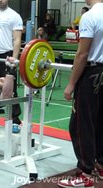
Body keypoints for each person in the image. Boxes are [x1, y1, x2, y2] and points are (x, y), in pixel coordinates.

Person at [58, 1, 103, 187]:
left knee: (80, 124)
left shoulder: (89, 16)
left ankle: (85, 173)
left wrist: (70, 84)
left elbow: (82, 55)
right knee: (100, 121)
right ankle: (99, 165)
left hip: (91, 74)